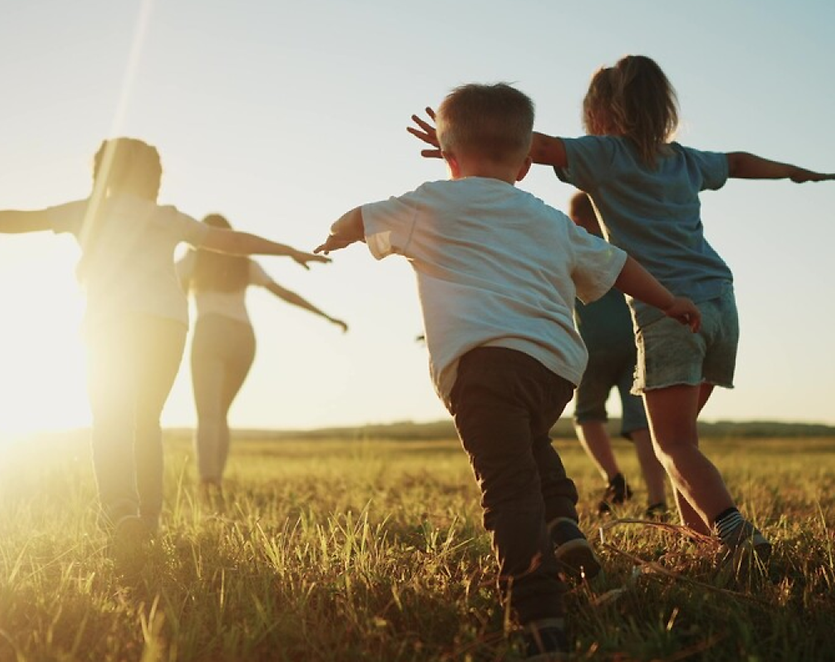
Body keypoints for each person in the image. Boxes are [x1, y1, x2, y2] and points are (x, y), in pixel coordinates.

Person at [409, 56, 835, 570]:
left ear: (600, 113)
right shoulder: (685, 160)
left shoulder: (605, 154)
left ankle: (733, 531)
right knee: (681, 441)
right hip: (720, 304)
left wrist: (461, 142)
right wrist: (794, 172)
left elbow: (533, 146)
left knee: (673, 444)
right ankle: (698, 544)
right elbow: (739, 161)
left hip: (669, 311)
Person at [316, 83, 700, 657]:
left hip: (481, 367)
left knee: (508, 488)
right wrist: (669, 301)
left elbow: (358, 218)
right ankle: (563, 523)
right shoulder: (548, 219)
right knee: (529, 446)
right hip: (553, 369)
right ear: (524, 166)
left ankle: (540, 616)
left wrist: (334, 237)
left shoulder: (428, 203)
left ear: (448, 158)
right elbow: (618, 265)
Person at [0, 137, 328, 543]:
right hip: (167, 325)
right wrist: (288, 250)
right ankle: (149, 519)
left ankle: (122, 512)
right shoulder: (168, 217)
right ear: (154, 177)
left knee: (111, 417)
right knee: (146, 420)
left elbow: (19, 220)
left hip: (112, 324)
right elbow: (232, 242)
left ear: (105, 171)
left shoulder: (87, 211)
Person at [176, 213, 347, 500]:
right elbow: (285, 294)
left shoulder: (192, 260)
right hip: (243, 338)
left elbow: (168, 290)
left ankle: (208, 483)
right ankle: (215, 483)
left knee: (208, 415)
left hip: (210, 332)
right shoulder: (245, 263)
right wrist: (327, 317)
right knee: (221, 414)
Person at [567, 191, 667, 519]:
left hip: (593, 345)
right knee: (641, 422)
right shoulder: (623, 243)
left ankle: (614, 479)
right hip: (635, 341)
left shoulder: (575, 246)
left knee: (587, 415)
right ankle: (657, 499)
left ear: (577, 219)